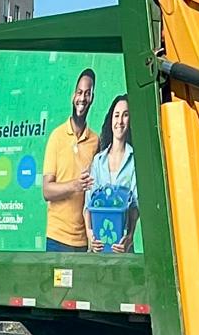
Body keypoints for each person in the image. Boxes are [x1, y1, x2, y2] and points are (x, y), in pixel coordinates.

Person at [41, 68, 98, 252]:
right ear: (73, 96)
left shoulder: (95, 141)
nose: (83, 98)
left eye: (87, 93)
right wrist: (75, 185)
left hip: (83, 242)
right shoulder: (56, 137)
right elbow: (47, 191)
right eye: (80, 92)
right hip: (56, 239)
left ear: (92, 98)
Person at [85, 94, 140, 253]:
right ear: (111, 120)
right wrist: (90, 235)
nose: (120, 121)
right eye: (116, 115)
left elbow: (135, 206)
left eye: (125, 115)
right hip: (98, 248)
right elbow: (88, 204)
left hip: (122, 248)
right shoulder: (98, 161)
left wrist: (129, 238)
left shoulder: (134, 160)